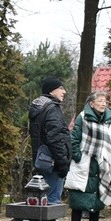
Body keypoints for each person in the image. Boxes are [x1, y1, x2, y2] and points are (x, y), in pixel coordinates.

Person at [67, 90, 111, 221]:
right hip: (85, 162)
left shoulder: (110, 120)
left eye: (105, 101)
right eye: (100, 100)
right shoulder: (83, 117)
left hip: (101, 163)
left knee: (96, 200)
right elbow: (74, 139)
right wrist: (78, 156)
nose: (104, 103)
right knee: (78, 198)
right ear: (91, 103)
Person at [28, 76, 70, 204]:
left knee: (42, 202)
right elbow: (55, 138)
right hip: (53, 163)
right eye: (61, 88)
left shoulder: (39, 107)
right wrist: (62, 163)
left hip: (42, 161)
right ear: (51, 91)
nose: (64, 92)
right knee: (52, 203)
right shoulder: (52, 108)